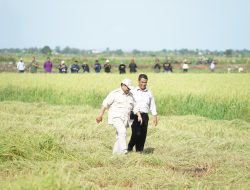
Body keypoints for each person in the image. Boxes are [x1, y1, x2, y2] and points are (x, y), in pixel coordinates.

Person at [96, 79, 142, 154]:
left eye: (130, 88)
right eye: (128, 87)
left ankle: (116, 154)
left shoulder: (130, 95)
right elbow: (105, 104)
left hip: (125, 119)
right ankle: (124, 150)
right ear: (123, 85)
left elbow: (135, 107)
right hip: (115, 117)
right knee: (122, 131)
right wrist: (100, 115)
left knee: (119, 136)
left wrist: (139, 115)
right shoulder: (114, 94)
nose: (129, 89)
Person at [128, 74, 158, 152]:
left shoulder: (149, 93)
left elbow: (152, 105)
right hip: (134, 115)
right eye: (142, 82)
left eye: (145, 82)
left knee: (143, 135)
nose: (143, 84)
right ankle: (130, 146)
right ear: (138, 81)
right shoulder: (133, 91)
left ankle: (139, 151)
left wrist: (154, 116)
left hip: (145, 115)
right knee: (136, 133)